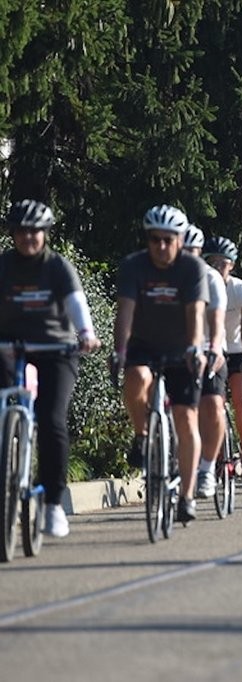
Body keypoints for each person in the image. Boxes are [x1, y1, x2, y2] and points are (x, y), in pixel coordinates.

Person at [0, 200, 101, 538]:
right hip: (9, 346)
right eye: (22, 231)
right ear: (12, 234)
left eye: (35, 231)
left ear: (44, 234)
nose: (28, 237)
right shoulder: (4, 266)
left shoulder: (57, 266)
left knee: (52, 419)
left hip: (55, 348)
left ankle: (53, 503)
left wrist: (85, 333)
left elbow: (75, 303)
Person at [113, 205, 208, 524]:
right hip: (145, 344)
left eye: (168, 240)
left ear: (180, 240)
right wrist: (120, 351)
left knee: (186, 416)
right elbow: (125, 310)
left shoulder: (192, 268)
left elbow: (196, 312)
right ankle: (142, 435)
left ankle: (187, 495)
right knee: (136, 377)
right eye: (155, 239)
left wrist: (195, 348)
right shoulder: (133, 266)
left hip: (183, 349)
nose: (162, 246)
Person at [203, 236, 242, 483]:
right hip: (210, 349)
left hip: (236, 350)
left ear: (232, 265)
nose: (217, 267)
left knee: (241, 401)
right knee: (209, 406)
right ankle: (213, 459)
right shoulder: (199, 286)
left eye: (222, 262)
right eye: (211, 262)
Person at [180, 224, 227, 499]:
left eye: (192, 250)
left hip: (209, 349)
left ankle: (208, 468)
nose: (186, 254)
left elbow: (217, 320)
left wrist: (213, 349)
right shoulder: (166, 276)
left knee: (211, 405)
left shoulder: (210, 278)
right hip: (176, 350)